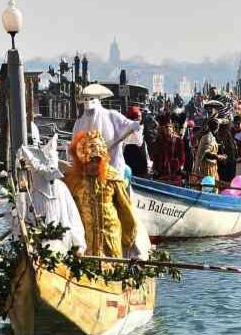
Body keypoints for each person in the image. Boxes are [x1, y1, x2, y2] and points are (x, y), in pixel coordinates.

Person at [63, 128, 149, 259]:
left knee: (112, 270)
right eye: (90, 160)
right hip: (84, 244)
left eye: (97, 160)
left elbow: (126, 210)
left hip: (110, 240)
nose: (94, 164)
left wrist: (129, 241)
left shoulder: (112, 177)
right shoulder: (71, 181)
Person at [149, 111, 190, 183]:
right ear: (162, 129)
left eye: (170, 127)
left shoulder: (178, 141)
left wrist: (174, 166)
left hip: (174, 175)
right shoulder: (158, 140)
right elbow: (154, 156)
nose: (168, 129)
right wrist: (156, 168)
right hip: (160, 175)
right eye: (166, 127)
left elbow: (182, 158)